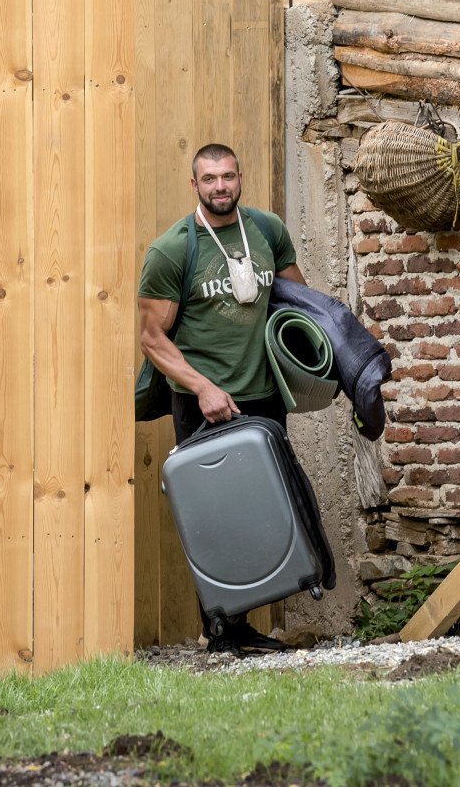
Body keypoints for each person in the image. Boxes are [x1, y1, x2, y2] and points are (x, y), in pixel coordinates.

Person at [137, 143, 306, 655]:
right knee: (215, 515)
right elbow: (151, 338)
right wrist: (202, 387)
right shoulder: (172, 249)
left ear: (240, 177)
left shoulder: (268, 231)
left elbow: (299, 302)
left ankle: (241, 628)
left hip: (263, 400)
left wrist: (324, 363)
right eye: (209, 178)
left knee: (260, 511)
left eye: (228, 176)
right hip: (204, 402)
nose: (220, 187)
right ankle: (222, 631)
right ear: (194, 185)